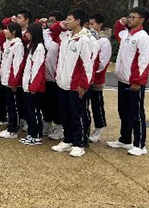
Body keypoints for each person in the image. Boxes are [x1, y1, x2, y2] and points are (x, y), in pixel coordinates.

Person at [107, 7, 149, 156]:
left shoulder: (143, 37)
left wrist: (137, 81)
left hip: (134, 82)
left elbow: (144, 62)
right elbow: (118, 32)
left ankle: (140, 144)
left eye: (133, 17)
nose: (129, 19)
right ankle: (125, 139)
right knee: (123, 111)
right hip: (123, 80)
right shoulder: (127, 34)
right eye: (129, 17)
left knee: (136, 113)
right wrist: (120, 22)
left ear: (142, 20)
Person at [50, 9, 94, 157]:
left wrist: (83, 84)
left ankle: (78, 144)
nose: (66, 22)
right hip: (62, 82)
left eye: (69, 19)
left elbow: (87, 64)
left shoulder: (84, 40)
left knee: (76, 115)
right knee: (65, 113)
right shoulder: (65, 36)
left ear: (78, 21)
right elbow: (53, 32)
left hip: (75, 85)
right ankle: (67, 140)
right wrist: (60, 25)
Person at [0, 22, 25, 139]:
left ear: (13, 31)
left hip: (12, 81)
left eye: (7, 29)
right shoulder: (8, 44)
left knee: (14, 106)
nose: (5, 31)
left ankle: (13, 130)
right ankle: (10, 127)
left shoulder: (18, 45)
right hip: (5, 80)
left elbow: (17, 65)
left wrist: (14, 82)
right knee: (9, 106)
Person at [20, 23, 47, 145]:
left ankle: (36, 135)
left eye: (29, 32)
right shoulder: (31, 46)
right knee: (29, 111)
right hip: (28, 84)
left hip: (34, 87)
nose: (26, 34)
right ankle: (31, 133)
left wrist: (33, 86)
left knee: (34, 111)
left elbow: (38, 68)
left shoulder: (39, 48)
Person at [87, 13, 111, 143]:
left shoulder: (104, 41)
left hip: (96, 79)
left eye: (93, 24)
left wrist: (92, 72)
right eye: (89, 24)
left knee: (97, 105)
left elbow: (103, 62)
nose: (90, 27)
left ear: (100, 24)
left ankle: (99, 128)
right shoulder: (88, 38)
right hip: (86, 78)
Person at [42, 11, 65, 140]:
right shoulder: (47, 35)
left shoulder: (62, 37)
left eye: (53, 21)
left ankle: (59, 127)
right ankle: (47, 123)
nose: (50, 24)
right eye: (49, 21)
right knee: (46, 103)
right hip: (46, 76)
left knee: (57, 104)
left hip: (56, 77)